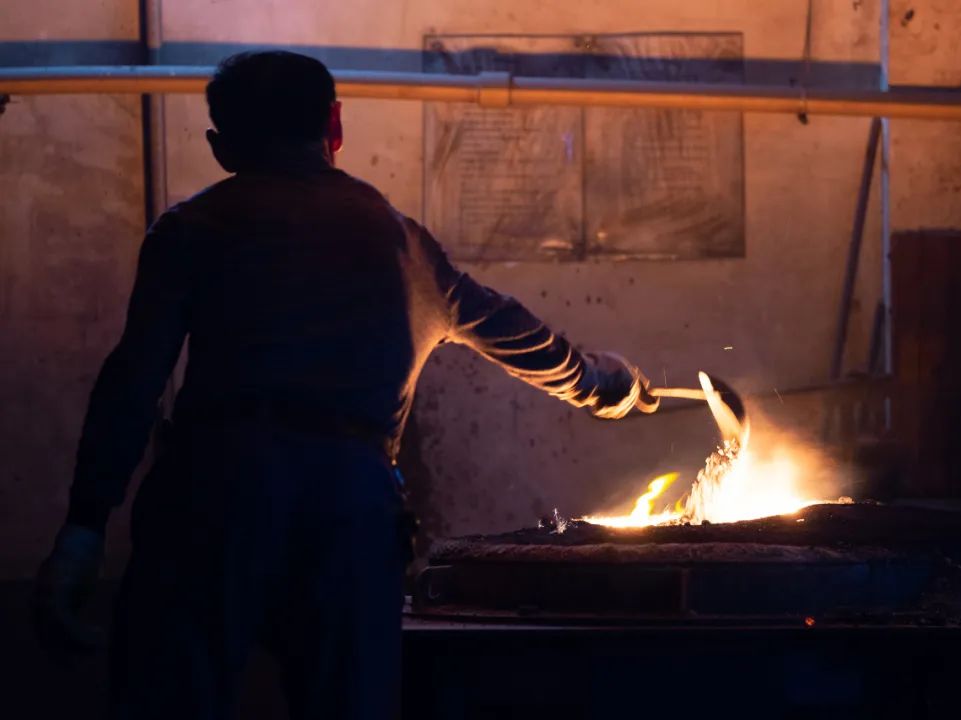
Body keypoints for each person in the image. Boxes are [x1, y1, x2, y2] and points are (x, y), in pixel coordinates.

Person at [34, 50, 659, 719]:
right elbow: (514, 334)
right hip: (349, 505)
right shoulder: (401, 242)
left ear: (221, 146)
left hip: (213, 494)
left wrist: (83, 528)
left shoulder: (190, 230)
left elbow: (132, 380)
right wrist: (602, 385)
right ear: (335, 126)